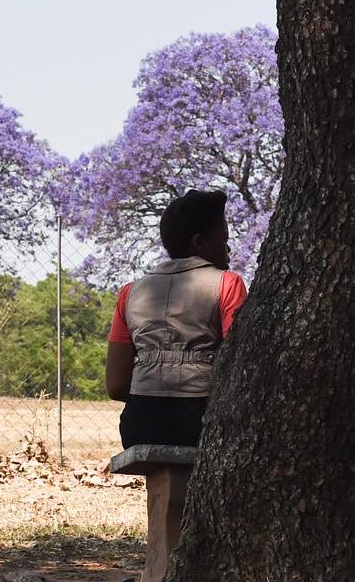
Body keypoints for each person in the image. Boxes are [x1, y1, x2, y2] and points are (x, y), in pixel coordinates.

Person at [103, 189, 249, 448]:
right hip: (202, 421)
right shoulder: (228, 284)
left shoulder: (130, 293)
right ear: (199, 243)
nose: (229, 250)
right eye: (223, 239)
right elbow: (240, 368)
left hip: (139, 424)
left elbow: (115, 386)